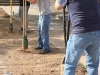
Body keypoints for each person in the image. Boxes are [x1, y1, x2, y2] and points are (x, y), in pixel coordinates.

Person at [55, 0, 100, 75]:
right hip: (97, 32)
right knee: (93, 65)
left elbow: (57, 6)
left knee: (70, 65)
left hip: (80, 32)